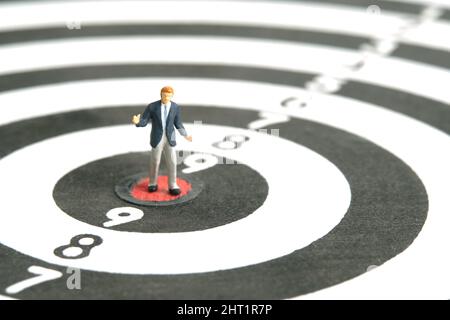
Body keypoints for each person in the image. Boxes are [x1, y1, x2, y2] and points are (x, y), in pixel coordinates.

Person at [132, 86, 192, 195]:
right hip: (157, 137)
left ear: (172, 96)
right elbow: (145, 120)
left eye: (168, 96)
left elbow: (178, 123)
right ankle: (152, 183)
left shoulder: (175, 107)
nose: (166, 97)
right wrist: (138, 122)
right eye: (164, 95)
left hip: (170, 137)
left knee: (173, 161)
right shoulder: (152, 106)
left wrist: (185, 135)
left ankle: (173, 184)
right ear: (161, 95)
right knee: (155, 161)